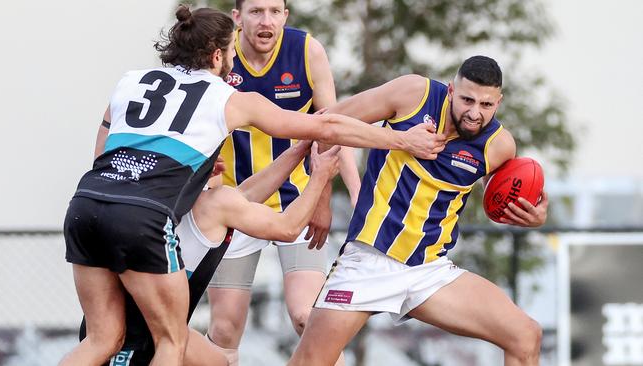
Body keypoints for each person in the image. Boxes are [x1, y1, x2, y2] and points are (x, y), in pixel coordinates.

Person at [60, 5, 444, 366]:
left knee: (100, 339)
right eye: (228, 53)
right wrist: (403, 140)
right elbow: (326, 124)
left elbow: (107, 139)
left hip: (86, 205)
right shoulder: (227, 98)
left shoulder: (130, 80)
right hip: (142, 220)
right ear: (216, 56)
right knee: (171, 342)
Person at [288, 56, 550, 366]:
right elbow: (326, 124)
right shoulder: (413, 94)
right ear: (451, 90)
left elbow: (501, 195)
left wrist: (535, 215)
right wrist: (321, 197)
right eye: (467, 100)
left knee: (526, 335)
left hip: (429, 271)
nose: (474, 113)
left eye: (486, 105)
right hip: (369, 260)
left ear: (499, 102)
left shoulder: (499, 145)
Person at [206, 1, 357, 364]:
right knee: (225, 330)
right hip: (235, 205)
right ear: (238, 18)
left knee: (308, 318)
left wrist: (354, 196)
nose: (266, 21)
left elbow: (333, 128)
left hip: (297, 203)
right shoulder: (219, 55)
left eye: (275, 11)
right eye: (257, 11)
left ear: (286, 16)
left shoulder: (307, 51)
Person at [97, 140, 340, 366]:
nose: (218, 168)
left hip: (151, 326)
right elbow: (288, 228)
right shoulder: (171, 211)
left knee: (217, 361)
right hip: (136, 334)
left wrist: (299, 149)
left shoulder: (208, 204)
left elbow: (247, 194)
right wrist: (319, 178)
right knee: (174, 343)